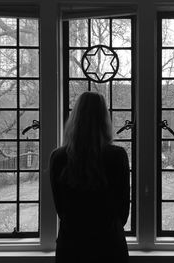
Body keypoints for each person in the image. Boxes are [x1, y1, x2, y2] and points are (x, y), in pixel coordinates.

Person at [49, 92, 130, 263]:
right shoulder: (117, 156)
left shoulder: (58, 157)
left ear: (74, 118)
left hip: (71, 246)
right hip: (109, 245)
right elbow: (123, 210)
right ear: (104, 119)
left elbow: (60, 208)